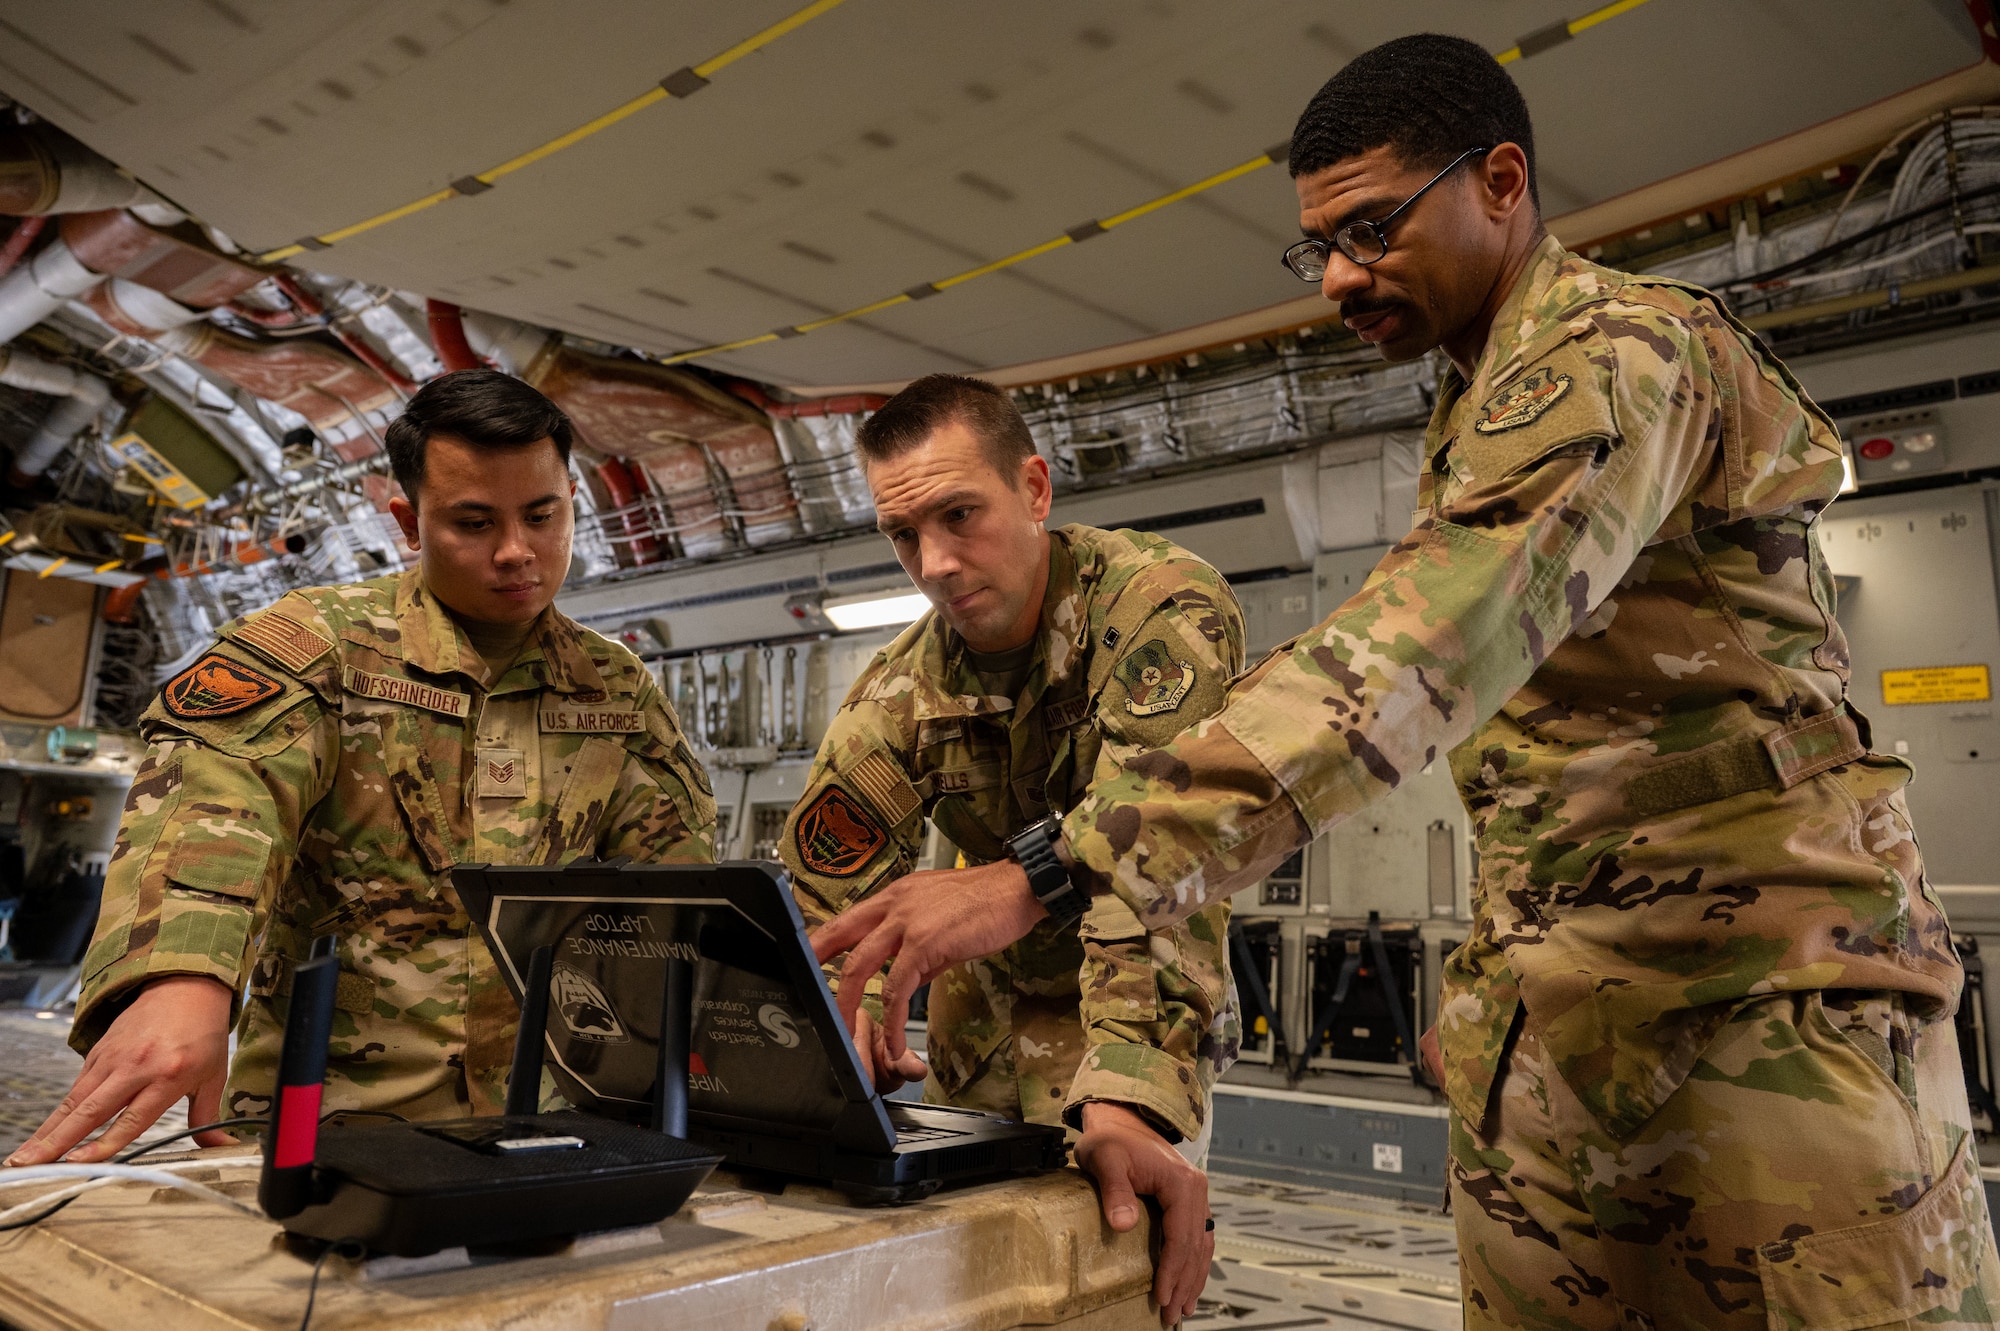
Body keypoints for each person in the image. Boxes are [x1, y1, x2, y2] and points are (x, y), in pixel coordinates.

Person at [811, 34, 2000, 1328]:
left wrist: (1044, 865)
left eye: (1372, 228)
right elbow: (1554, 759)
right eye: (1316, 243)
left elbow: (1424, 645)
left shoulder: (1614, 350)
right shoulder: (1476, 408)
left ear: (1501, 182)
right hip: (1560, 1030)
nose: (1336, 275)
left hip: (1776, 1014)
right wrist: (1510, 971)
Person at [7, 369, 715, 1168]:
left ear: (573, 503)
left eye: (542, 515)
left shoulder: (616, 687)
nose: (517, 551)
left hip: (543, 1126)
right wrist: (184, 978)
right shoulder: (321, 647)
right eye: (474, 522)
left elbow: (677, 889)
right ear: (409, 522)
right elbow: (218, 798)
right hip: (326, 1127)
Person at [788, 373, 1237, 1326]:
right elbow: (824, 908)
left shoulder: (1156, 614)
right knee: (974, 1291)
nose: (935, 563)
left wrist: (1129, 1092)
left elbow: (1155, 860)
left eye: (961, 515)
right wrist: (843, 1029)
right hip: (980, 1021)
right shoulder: (898, 697)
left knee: (1109, 1279)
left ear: (1034, 489)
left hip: (1133, 996)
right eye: (904, 535)